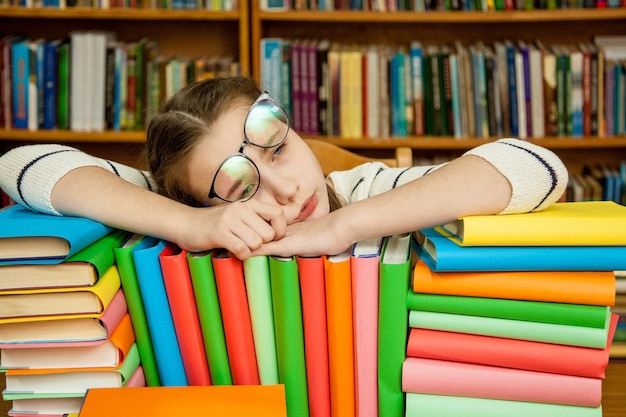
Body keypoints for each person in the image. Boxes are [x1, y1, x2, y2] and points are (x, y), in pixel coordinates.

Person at [0, 76, 568, 260]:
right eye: (238, 189)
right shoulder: (178, 215)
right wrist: (190, 227)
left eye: (280, 149)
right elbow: (22, 164)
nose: (289, 187)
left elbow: (534, 166)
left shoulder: (361, 189)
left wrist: (342, 226)